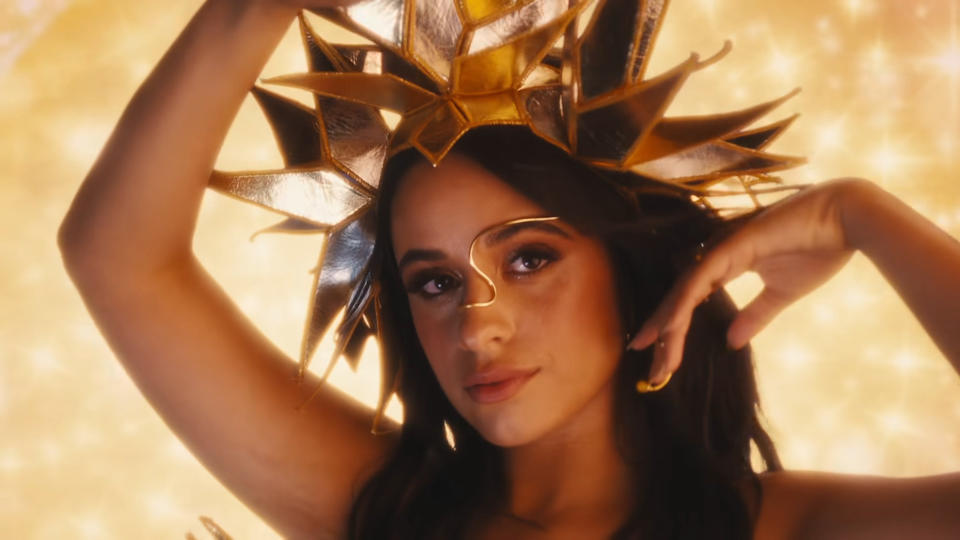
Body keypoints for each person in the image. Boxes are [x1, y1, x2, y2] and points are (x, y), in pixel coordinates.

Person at [57, 0, 960, 538]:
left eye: (530, 258)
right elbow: (117, 257)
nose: (476, 325)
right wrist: (250, 8)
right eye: (433, 281)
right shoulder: (385, 509)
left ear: (629, 265)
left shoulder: (780, 528)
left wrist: (862, 216)